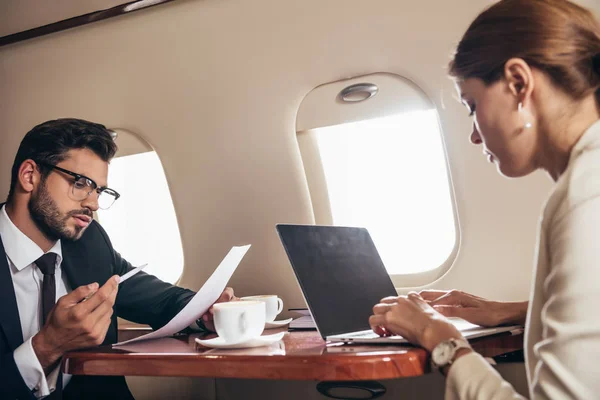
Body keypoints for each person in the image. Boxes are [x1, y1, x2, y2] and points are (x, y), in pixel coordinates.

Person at [368, 0, 600, 398]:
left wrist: (438, 338)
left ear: (518, 83)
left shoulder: (585, 195)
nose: (474, 136)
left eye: (471, 105)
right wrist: (511, 311)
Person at [0, 118, 236, 400]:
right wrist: (48, 346)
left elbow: (159, 300)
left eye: (99, 190)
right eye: (81, 183)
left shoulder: (89, 241)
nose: (93, 203)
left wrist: (205, 310)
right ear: (30, 176)